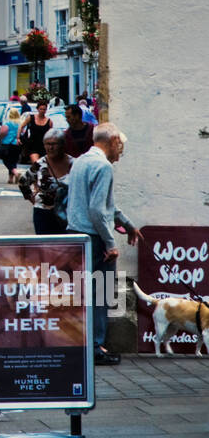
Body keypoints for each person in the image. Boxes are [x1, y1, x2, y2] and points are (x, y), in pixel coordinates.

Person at [66, 122, 141, 366]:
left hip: (76, 234)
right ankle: (96, 347)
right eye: (119, 143)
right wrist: (110, 243)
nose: (121, 149)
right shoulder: (103, 166)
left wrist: (128, 225)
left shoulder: (80, 162)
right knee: (100, 294)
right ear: (111, 141)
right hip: (95, 238)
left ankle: (81, 344)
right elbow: (98, 210)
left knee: (82, 294)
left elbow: (106, 205)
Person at [19, 129, 73, 234]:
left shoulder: (74, 164)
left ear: (62, 145)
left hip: (68, 214)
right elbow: (23, 182)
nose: (50, 148)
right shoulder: (39, 164)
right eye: (47, 144)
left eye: (54, 144)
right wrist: (32, 199)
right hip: (43, 214)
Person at [18, 98, 52, 164]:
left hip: (44, 146)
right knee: (36, 164)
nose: (42, 111)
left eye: (44, 109)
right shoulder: (31, 118)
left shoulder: (49, 121)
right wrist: (18, 138)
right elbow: (21, 126)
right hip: (33, 145)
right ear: (37, 109)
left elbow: (51, 135)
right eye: (41, 109)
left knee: (45, 166)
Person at [0, 104, 23, 183]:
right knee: (13, 161)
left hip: (7, 144)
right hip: (16, 144)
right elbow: (22, 132)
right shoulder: (19, 124)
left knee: (6, 161)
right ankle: (11, 179)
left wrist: (0, 137)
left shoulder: (7, 123)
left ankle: (15, 172)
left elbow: (3, 132)